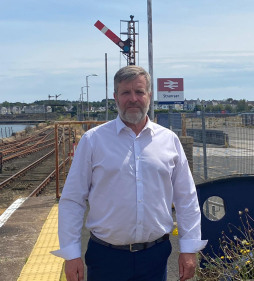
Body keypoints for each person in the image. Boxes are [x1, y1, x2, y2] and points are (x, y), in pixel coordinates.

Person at [52, 66, 207, 281]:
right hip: (106, 258)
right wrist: (71, 254)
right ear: (115, 97)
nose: (133, 99)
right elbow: (72, 200)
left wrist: (189, 248)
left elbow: (186, 198)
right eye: (126, 93)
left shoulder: (169, 140)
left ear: (149, 96)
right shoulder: (93, 140)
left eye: (139, 92)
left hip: (156, 257)